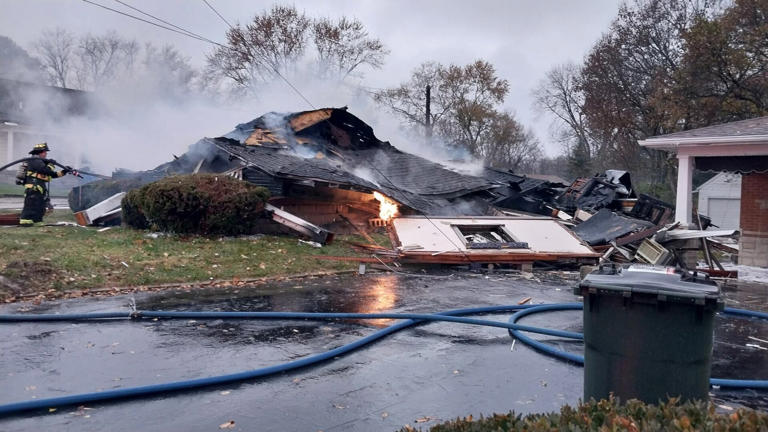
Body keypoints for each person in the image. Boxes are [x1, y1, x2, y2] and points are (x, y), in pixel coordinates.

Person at [19, 142, 77, 226]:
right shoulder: (34, 160)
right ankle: (25, 222)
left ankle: (37, 221)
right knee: (31, 206)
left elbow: (52, 175)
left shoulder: (40, 162)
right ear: (40, 152)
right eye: (45, 152)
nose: (46, 154)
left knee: (40, 207)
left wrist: (64, 171)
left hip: (39, 188)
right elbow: (45, 170)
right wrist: (51, 164)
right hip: (33, 188)